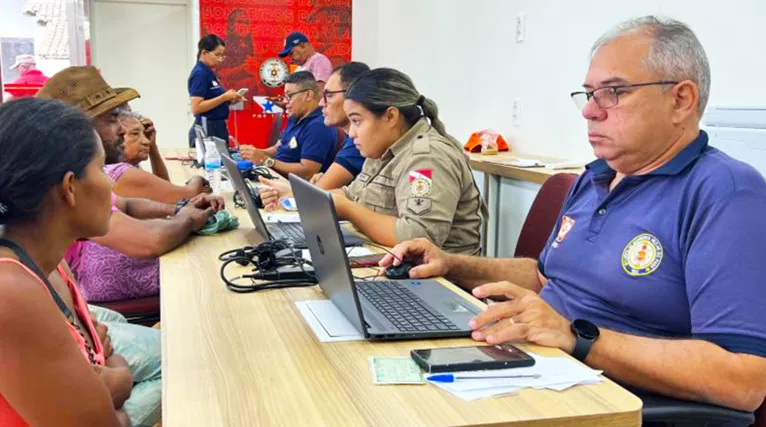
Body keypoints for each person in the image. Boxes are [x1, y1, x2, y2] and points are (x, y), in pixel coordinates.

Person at [381, 16, 766, 415]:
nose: (590, 112)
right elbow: (546, 277)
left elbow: (743, 380)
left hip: (608, 403)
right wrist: (451, 265)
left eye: (614, 92)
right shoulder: (597, 175)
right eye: (588, 94)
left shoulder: (727, 193)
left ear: (681, 100)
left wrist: (576, 337)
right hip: (535, 367)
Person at [38, 65, 224, 302]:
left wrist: (178, 210)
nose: (121, 130)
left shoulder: (77, 174)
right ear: (81, 128)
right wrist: (187, 217)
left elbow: (125, 205)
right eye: (113, 119)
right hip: (96, 301)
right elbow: (149, 241)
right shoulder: (73, 185)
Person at [0, 98, 127, 426]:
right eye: (101, 169)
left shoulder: (48, 262)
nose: (110, 184)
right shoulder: (11, 290)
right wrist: (120, 376)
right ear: (70, 188)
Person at [258, 62, 369, 208]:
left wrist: (267, 161)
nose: (322, 103)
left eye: (329, 95)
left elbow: (317, 188)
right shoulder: (352, 139)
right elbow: (342, 193)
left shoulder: (357, 141)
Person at [239, 71, 338, 179]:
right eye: (285, 96)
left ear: (308, 95)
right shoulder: (295, 117)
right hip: (275, 175)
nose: (286, 102)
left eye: (290, 96)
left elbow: (308, 171)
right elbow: (278, 148)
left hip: (291, 186)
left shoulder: (319, 126)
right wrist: (254, 153)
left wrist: (266, 161)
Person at [111, 109, 211, 203]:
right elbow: (183, 197)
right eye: (135, 134)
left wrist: (153, 148)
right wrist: (197, 179)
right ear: (116, 136)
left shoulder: (129, 166)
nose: (146, 141)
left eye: (145, 135)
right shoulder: (122, 172)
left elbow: (163, 189)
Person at [188, 34, 243, 147]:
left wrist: (229, 100)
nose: (220, 59)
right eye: (217, 55)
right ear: (204, 53)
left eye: (222, 56)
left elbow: (212, 100)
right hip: (207, 129)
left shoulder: (209, 72)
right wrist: (224, 97)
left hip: (217, 127)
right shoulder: (200, 74)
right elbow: (196, 107)